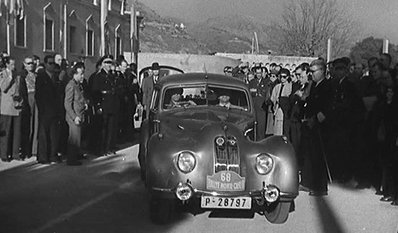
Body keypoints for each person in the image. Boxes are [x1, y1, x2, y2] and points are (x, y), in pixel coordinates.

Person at [300, 59, 333, 196]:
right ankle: (307, 182)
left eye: (313, 72)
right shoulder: (314, 85)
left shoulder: (327, 86)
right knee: (309, 154)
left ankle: (320, 187)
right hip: (310, 123)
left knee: (318, 157)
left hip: (321, 126)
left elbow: (328, 105)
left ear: (322, 71)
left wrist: (317, 118)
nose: (311, 75)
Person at [35, 54, 64, 164]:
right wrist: (42, 109)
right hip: (45, 111)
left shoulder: (56, 77)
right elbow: (38, 95)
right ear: (45, 64)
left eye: (54, 63)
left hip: (55, 111)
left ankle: (53, 155)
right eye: (50, 63)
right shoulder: (41, 77)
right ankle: (43, 157)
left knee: (54, 135)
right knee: (43, 135)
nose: (52, 65)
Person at [91, 55, 120, 156]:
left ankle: (109, 148)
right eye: (106, 63)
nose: (108, 65)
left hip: (112, 105)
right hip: (103, 104)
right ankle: (101, 149)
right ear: (102, 64)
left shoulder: (112, 76)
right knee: (103, 129)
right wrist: (98, 106)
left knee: (111, 128)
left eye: (110, 63)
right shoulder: (98, 77)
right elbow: (95, 93)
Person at [0, 57, 25, 162]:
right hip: (6, 108)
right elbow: (3, 87)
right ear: (7, 65)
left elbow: (20, 89)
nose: (13, 67)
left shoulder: (18, 74)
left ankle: (15, 153)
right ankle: (4, 154)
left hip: (17, 106)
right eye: (11, 65)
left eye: (14, 65)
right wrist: (10, 76)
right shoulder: (3, 74)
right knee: (6, 132)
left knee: (17, 132)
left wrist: (21, 100)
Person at [64, 63, 89, 166]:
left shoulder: (78, 85)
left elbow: (79, 98)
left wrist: (85, 104)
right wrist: (74, 117)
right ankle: (71, 159)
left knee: (77, 138)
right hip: (74, 116)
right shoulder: (71, 85)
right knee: (74, 139)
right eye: (81, 74)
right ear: (75, 74)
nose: (82, 76)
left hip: (80, 114)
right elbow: (67, 103)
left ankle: (76, 155)